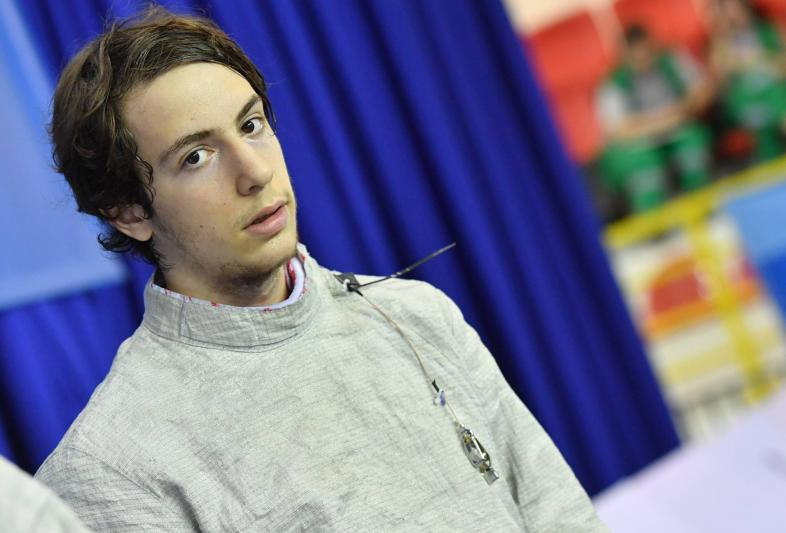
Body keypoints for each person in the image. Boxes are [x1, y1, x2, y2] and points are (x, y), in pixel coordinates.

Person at [34, 7, 607, 531]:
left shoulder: (418, 316)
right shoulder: (110, 470)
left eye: (251, 125)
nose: (255, 172)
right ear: (129, 212)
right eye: (196, 156)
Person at [596, 24, 713, 213]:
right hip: (637, 145)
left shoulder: (673, 60)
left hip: (676, 131)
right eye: (636, 55)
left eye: (647, 52)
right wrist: (665, 120)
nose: (643, 59)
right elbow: (620, 130)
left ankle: (704, 209)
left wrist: (685, 107)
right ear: (624, 55)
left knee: (693, 143)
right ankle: (654, 221)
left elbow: (701, 91)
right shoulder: (612, 83)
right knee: (644, 169)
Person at [709, 0, 786, 161]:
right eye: (726, 13)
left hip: (776, 89)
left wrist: (765, 61)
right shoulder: (721, 44)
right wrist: (723, 40)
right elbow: (719, 84)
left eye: (735, 9)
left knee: (778, 97)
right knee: (764, 140)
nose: (732, 16)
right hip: (745, 99)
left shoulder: (768, 29)